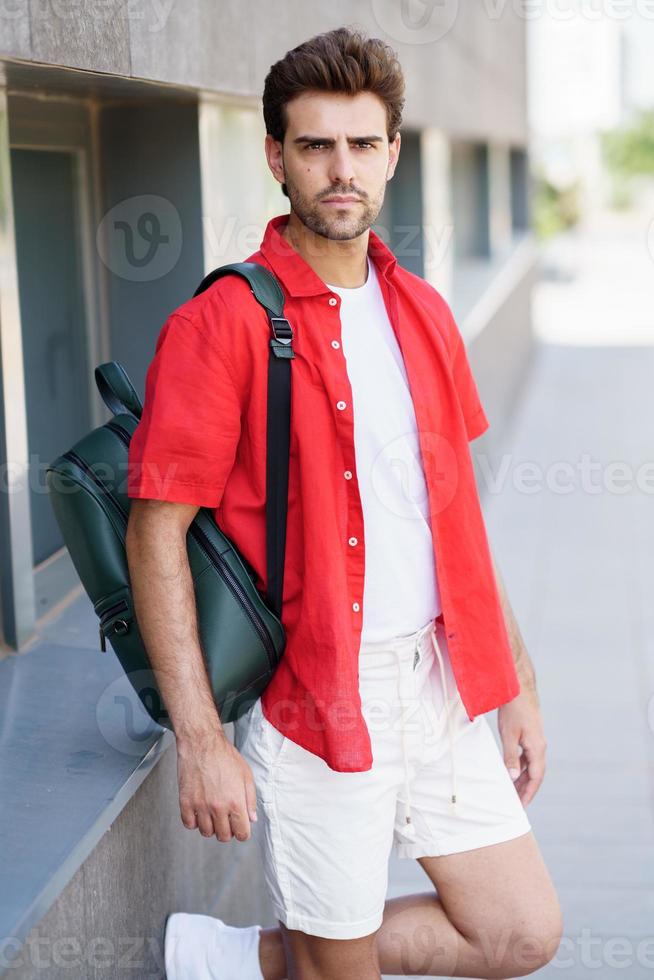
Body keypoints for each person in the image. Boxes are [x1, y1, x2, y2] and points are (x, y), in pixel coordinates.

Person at [126, 25, 563, 980]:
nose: (341, 168)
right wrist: (200, 741)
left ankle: (241, 958)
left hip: (441, 687)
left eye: (362, 144)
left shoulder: (423, 312)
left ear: (394, 154)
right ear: (277, 157)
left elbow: (455, 525)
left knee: (520, 933)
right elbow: (155, 533)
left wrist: (514, 683)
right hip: (320, 697)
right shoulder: (222, 324)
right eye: (316, 145)